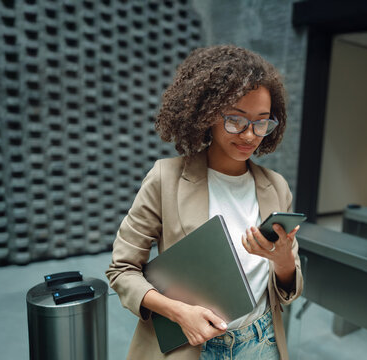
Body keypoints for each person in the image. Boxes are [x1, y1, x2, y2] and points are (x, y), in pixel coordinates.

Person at [105, 45, 303, 360]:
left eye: (262, 122)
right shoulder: (165, 179)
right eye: (236, 120)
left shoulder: (276, 187)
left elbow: (289, 284)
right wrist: (178, 312)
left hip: (261, 341)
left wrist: (283, 262)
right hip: (191, 346)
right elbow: (122, 270)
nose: (250, 135)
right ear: (208, 114)